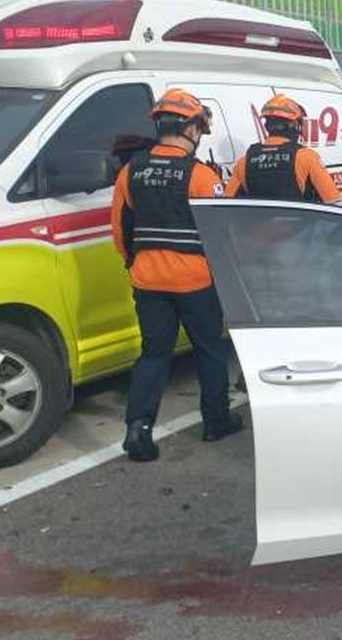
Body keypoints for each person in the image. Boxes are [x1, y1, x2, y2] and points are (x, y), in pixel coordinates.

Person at [111, 88, 241, 462]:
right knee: (209, 350)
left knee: (153, 355)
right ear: (191, 129)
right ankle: (215, 422)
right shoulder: (201, 176)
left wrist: (133, 263)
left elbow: (120, 230)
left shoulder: (129, 172)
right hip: (196, 281)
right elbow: (221, 233)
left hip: (147, 280)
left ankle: (138, 428)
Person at [226, 94, 342, 202]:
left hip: (256, 223)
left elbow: (227, 201)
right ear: (295, 126)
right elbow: (333, 200)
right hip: (300, 223)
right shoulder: (307, 158)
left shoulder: (244, 162)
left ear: (267, 126)